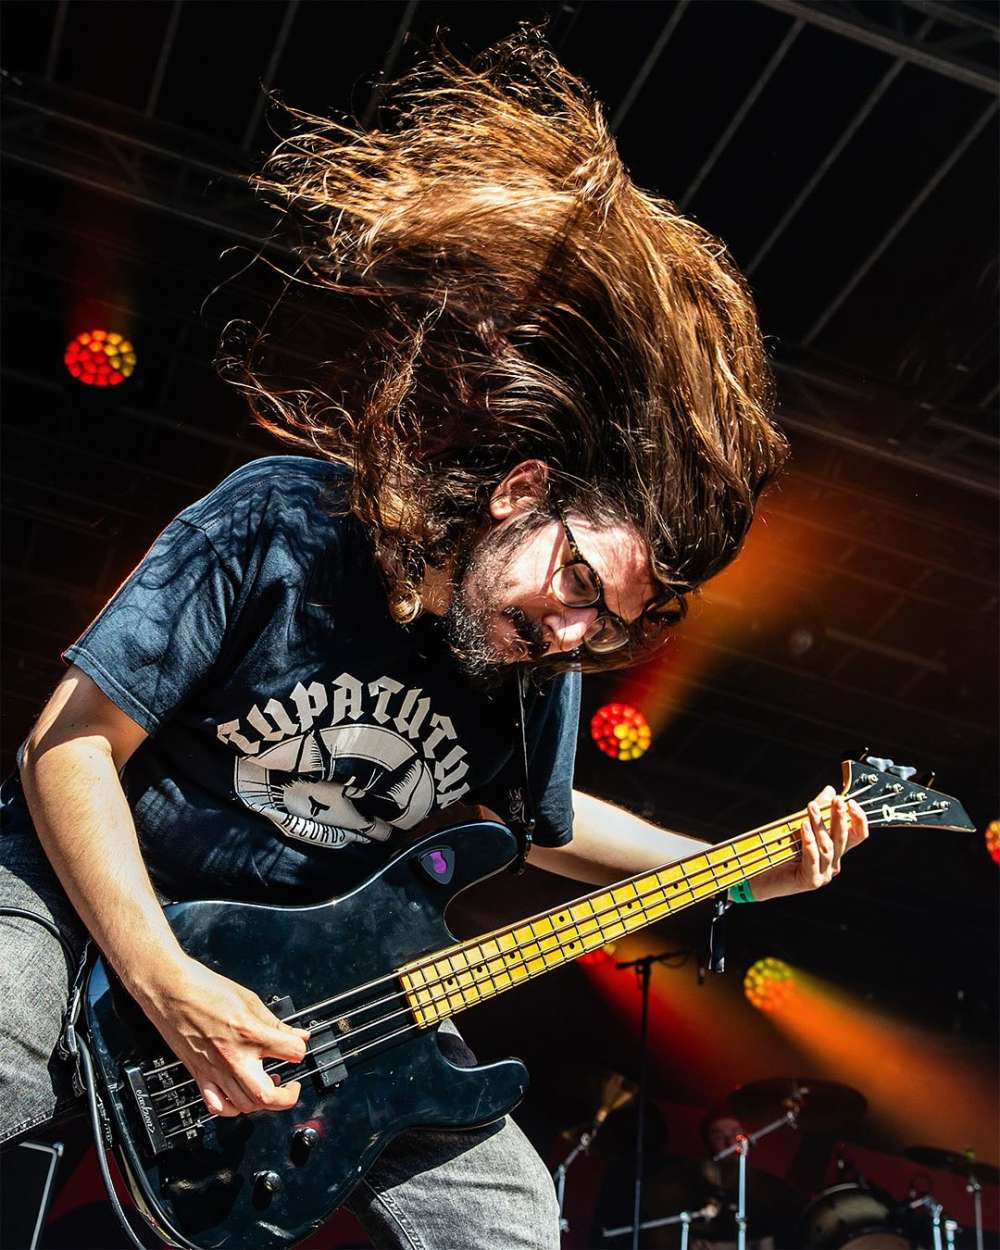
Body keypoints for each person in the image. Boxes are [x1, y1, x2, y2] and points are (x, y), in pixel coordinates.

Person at [0, 29, 868, 1250]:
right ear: (520, 489)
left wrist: (739, 863)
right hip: (86, 891)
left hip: (315, 972)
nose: (575, 629)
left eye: (609, 623)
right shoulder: (282, 523)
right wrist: (163, 976)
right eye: (579, 580)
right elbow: (69, 746)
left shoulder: (530, 656)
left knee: (507, 1213)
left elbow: (547, 828)